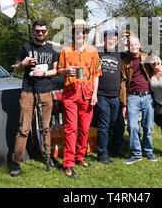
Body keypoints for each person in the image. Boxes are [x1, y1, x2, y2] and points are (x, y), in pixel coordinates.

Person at [10, 20, 59, 177]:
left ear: (47, 31)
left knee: (46, 128)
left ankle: (47, 157)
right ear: (33, 31)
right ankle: (16, 162)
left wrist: (43, 73)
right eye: (37, 31)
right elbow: (16, 70)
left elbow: (56, 70)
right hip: (28, 92)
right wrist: (23, 63)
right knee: (24, 129)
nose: (40, 33)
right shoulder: (25, 48)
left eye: (43, 31)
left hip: (46, 92)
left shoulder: (53, 48)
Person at [57, 19, 102, 178]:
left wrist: (95, 93)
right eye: (76, 31)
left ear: (86, 33)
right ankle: (68, 163)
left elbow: (96, 74)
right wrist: (66, 71)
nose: (80, 34)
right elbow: (59, 70)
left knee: (84, 129)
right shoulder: (66, 50)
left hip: (88, 95)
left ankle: (80, 156)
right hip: (70, 94)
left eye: (83, 31)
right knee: (71, 129)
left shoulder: (93, 51)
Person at [120, 36, 156, 164]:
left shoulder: (147, 57)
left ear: (139, 44)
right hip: (132, 97)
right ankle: (136, 153)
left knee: (148, 126)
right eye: (131, 45)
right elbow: (123, 83)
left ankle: (148, 151)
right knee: (132, 126)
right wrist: (124, 102)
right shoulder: (125, 62)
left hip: (147, 97)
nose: (133, 47)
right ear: (128, 47)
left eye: (135, 44)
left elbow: (158, 68)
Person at [95, 29, 126, 164]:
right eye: (108, 38)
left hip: (116, 97)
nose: (111, 40)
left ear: (117, 40)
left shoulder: (121, 54)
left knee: (115, 124)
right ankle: (103, 154)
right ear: (104, 39)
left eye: (114, 38)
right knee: (104, 126)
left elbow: (139, 54)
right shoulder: (98, 52)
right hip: (101, 96)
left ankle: (115, 149)